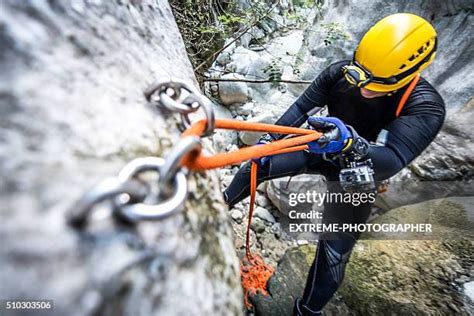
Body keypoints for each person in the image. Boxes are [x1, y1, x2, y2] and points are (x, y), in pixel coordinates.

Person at [223, 13, 446, 315]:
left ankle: (306, 312)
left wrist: (352, 143)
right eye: (360, 74)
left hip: (359, 170)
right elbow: (301, 107)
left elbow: (393, 159)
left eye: (374, 83)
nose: (362, 87)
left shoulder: (425, 105)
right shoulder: (341, 73)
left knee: (333, 252)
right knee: (257, 165)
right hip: (321, 144)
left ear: (404, 77)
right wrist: (269, 142)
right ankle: (219, 205)